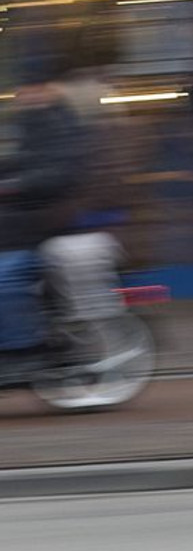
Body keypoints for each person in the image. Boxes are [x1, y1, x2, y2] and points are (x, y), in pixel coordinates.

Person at [0, 49, 88, 376]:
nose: (25, 94)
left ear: (51, 88)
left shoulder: (61, 122)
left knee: (5, 275)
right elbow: (17, 160)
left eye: (33, 87)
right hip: (25, 219)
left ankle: (22, 348)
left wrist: (14, 186)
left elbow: (61, 172)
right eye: (23, 88)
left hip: (51, 219)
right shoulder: (31, 121)